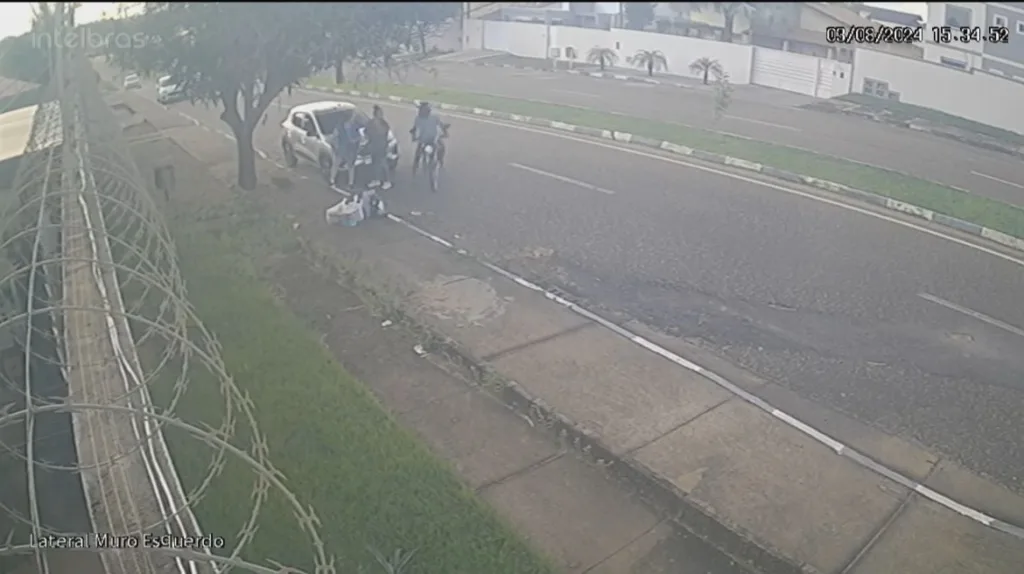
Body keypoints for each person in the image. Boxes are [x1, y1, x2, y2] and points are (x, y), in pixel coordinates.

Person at [409, 102, 447, 175]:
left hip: (434, 139)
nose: (421, 111)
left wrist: (445, 133)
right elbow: (414, 128)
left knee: (442, 148)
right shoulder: (418, 119)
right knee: (417, 154)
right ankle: (414, 169)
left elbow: (441, 125)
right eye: (421, 110)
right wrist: (413, 136)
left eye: (424, 110)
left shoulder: (434, 117)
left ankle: (440, 160)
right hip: (423, 140)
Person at [366, 105, 393, 190]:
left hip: (381, 146)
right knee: (375, 164)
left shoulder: (382, 123)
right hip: (375, 146)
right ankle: (376, 180)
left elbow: (384, 134)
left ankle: (387, 181)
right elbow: (367, 133)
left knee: (383, 164)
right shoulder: (373, 123)